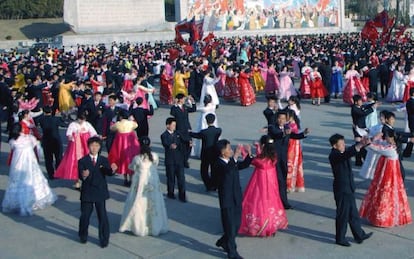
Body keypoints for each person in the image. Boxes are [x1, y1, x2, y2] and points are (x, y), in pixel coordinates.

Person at [328, 134, 373, 247]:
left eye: (344, 143)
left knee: (353, 213)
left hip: (349, 187)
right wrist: (361, 144)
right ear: (334, 146)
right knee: (343, 214)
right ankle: (340, 238)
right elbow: (348, 153)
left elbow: (349, 150)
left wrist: (361, 143)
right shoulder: (334, 155)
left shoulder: (342, 152)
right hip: (342, 189)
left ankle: (359, 234)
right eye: (341, 144)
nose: (344, 145)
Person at [2, 123, 56, 216]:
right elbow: (36, 145)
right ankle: (35, 199)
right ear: (20, 130)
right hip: (30, 164)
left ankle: (17, 202)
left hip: (18, 165)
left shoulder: (13, 141)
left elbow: (13, 149)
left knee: (17, 182)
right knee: (33, 180)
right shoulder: (29, 138)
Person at [239, 135, 288, 237]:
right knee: (271, 202)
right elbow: (261, 156)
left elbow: (249, 161)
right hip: (271, 184)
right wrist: (258, 148)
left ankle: (259, 226)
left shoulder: (260, 161)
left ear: (263, 145)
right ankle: (271, 225)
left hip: (259, 184)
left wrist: (246, 151)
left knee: (258, 202)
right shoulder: (273, 157)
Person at [119, 136, 169, 236]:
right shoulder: (155, 156)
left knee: (138, 202)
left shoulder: (137, 158)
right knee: (155, 202)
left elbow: (132, 167)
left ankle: (139, 225)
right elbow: (155, 165)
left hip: (141, 182)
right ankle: (155, 225)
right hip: (153, 182)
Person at [359, 138, 412, 227]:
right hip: (388, 175)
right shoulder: (391, 148)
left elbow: (378, 149)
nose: (387, 139)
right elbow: (379, 147)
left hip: (388, 176)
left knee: (384, 196)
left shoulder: (391, 150)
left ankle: (383, 219)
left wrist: (367, 144)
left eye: (389, 138)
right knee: (388, 196)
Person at [213, 139, 253, 259]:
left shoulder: (230, 161)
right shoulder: (218, 164)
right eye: (229, 149)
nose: (231, 151)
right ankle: (232, 252)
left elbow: (242, 165)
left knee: (236, 225)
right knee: (230, 226)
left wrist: (249, 154)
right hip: (227, 199)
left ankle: (223, 241)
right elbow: (228, 171)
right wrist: (235, 156)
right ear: (222, 151)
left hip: (236, 196)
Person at [78, 136, 117, 248]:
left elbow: (108, 172)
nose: (94, 148)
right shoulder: (83, 161)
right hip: (87, 191)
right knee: (85, 215)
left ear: (100, 147)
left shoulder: (103, 160)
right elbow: (79, 174)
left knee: (102, 216)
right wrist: (83, 175)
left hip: (100, 191)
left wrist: (113, 170)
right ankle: (83, 235)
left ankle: (104, 239)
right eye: (92, 145)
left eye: (97, 145)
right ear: (88, 147)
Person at [268, 111, 309, 209]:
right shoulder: (272, 127)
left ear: (286, 119)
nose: (281, 120)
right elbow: (277, 134)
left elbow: (294, 136)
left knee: (283, 181)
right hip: (275, 159)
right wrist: (284, 133)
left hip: (284, 158)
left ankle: (284, 202)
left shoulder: (287, 128)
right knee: (279, 181)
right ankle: (279, 202)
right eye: (279, 118)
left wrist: (304, 133)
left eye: (283, 118)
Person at [55, 111, 98, 189]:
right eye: (80, 119)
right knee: (76, 163)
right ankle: (77, 181)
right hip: (76, 146)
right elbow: (69, 133)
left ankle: (87, 180)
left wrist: (96, 138)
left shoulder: (87, 124)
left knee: (88, 162)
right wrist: (71, 137)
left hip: (86, 145)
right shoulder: (73, 125)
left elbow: (93, 133)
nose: (81, 121)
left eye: (83, 119)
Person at [108, 110, 140, 186]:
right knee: (131, 160)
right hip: (131, 145)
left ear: (121, 116)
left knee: (122, 160)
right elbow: (136, 125)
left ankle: (125, 179)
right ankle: (131, 179)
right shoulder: (131, 123)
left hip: (121, 145)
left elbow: (111, 128)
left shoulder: (118, 124)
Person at [190, 113, 222, 191]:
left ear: (206, 121)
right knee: (214, 170)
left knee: (204, 170)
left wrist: (189, 132)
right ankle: (214, 185)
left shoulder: (204, 132)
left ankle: (208, 185)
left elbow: (196, 135)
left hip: (205, 153)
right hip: (215, 152)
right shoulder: (218, 130)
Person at [160, 117, 187, 202]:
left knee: (181, 178)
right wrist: (170, 145)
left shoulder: (177, 134)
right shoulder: (164, 135)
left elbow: (184, 140)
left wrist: (189, 142)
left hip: (179, 159)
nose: (174, 127)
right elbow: (165, 143)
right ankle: (170, 193)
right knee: (171, 178)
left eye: (175, 125)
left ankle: (182, 195)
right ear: (168, 125)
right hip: (170, 160)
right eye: (173, 125)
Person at [38, 105, 66, 180]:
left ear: (44, 112)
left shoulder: (41, 119)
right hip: (56, 140)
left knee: (48, 159)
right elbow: (64, 124)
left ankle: (51, 174)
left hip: (46, 140)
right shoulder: (56, 119)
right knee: (58, 157)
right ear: (51, 111)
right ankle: (58, 172)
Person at [170, 93, 196, 168]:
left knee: (189, 145)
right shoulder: (175, 108)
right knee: (181, 146)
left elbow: (193, 109)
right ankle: (182, 160)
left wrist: (193, 102)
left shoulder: (184, 107)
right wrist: (174, 104)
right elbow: (172, 113)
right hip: (179, 129)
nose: (184, 100)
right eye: (183, 99)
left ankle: (185, 159)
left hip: (187, 128)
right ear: (180, 99)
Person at [286, 109, 305, 192]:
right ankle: (296, 185)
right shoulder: (290, 124)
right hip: (293, 145)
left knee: (291, 165)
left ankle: (290, 185)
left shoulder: (292, 125)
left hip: (292, 146)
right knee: (294, 165)